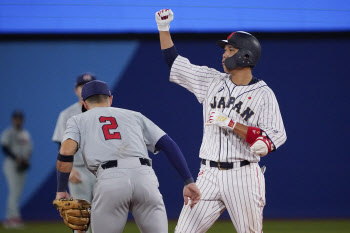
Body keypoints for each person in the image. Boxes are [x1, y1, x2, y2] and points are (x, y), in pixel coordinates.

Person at [155, 9, 287, 233]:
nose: (224, 54)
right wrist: (163, 29)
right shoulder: (212, 81)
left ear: (246, 56)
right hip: (208, 174)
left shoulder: (264, 94)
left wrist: (240, 129)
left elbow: (275, 135)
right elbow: (174, 62)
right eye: (225, 50)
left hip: (243, 175)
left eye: (230, 49)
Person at [54, 80, 201, 233]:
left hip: (110, 180)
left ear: (84, 104)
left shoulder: (77, 120)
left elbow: (66, 151)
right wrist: (188, 180)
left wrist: (61, 190)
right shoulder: (134, 116)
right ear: (110, 99)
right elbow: (168, 144)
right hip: (145, 178)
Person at [52, 72, 97, 233]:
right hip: (78, 169)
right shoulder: (66, 114)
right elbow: (61, 146)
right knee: (79, 216)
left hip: (101, 169)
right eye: (81, 86)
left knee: (102, 216)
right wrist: (68, 171)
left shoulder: (104, 113)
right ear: (75, 90)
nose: (85, 89)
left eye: (89, 86)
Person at [1, 110, 32, 229]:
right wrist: (16, 158)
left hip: (22, 164)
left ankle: (9, 219)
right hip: (11, 164)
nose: (18, 120)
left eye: (20, 118)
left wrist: (26, 160)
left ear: (22, 120)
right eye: (16, 118)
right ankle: (14, 218)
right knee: (14, 191)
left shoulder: (25, 134)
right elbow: (4, 147)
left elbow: (29, 149)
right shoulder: (9, 132)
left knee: (17, 192)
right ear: (13, 120)